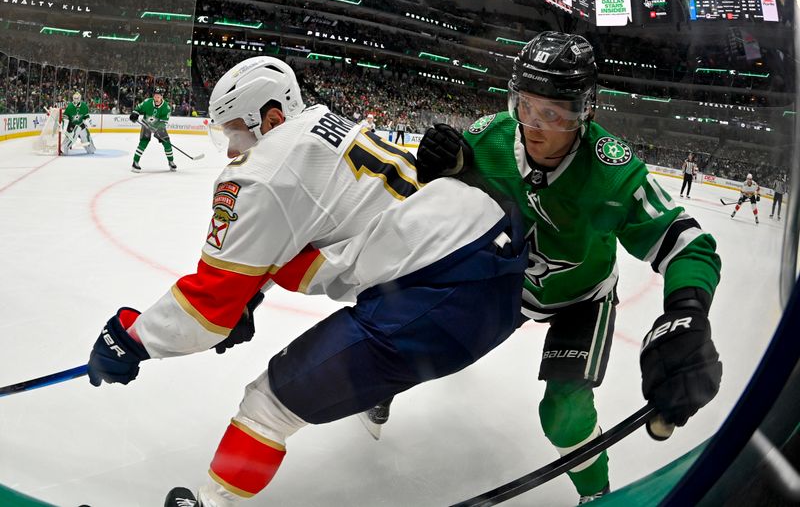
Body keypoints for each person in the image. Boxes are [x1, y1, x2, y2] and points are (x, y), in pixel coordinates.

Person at [86, 56, 528, 506]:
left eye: (235, 131)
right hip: (496, 265)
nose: (230, 149)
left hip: (442, 296)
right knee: (356, 340)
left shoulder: (259, 175)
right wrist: (251, 298)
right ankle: (384, 386)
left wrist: (130, 339)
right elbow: (300, 232)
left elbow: (205, 311)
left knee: (268, 404)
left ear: (272, 118)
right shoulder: (322, 124)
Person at [371, 32, 723, 504]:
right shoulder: (489, 137)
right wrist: (443, 169)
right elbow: (445, 197)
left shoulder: (611, 172)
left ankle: (596, 495)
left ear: (585, 112)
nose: (534, 127)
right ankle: (384, 381)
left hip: (582, 299)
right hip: (507, 281)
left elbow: (688, 242)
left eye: (554, 114)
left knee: (563, 412)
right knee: (422, 331)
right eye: (526, 106)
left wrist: (688, 310)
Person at [129, 86, 175, 173]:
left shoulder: (166, 107)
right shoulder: (147, 102)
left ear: (162, 97)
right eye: (155, 96)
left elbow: (163, 122)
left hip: (158, 127)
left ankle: (171, 161)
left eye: (158, 97)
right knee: (144, 142)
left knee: (167, 142)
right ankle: (135, 162)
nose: (156, 98)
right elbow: (138, 109)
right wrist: (135, 114)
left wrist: (158, 130)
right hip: (146, 125)